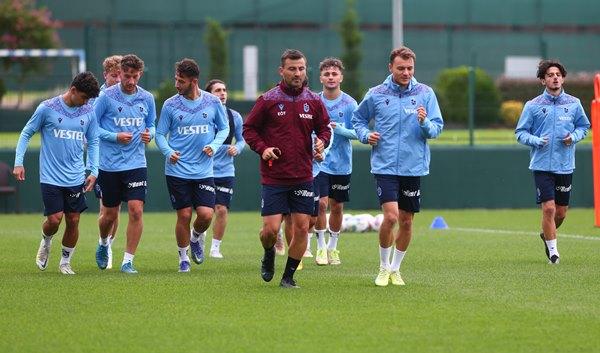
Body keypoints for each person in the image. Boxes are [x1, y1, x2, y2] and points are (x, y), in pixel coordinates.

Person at [352, 46, 443, 287]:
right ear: (390, 67)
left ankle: (395, 269)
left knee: (406, 221)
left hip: (413, 167)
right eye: (401, 68)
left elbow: (436, 128)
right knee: (390, 217)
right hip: (385, 165)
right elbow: (357, 120)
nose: (406, 72)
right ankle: (382, 267)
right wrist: (365, 135)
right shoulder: (376, 93)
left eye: (410, 68)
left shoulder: (425, 93)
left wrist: (424, 123)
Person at [243, 49, 331, 288]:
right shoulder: (268, 99)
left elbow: (325, 128)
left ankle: (288, 277)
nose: (297, 73)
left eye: (301, 68)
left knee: (303, 227)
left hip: (303, 175)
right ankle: (269, 252)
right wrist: (263, 149)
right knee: (270, 230)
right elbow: (248, 130)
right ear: (281, 71)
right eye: (292, 69)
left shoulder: (313, 100)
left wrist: (323, 141)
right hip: (274, 176)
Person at [13, 72, 100, 275]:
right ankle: (46, 240)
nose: (86, 102)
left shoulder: (88, 111)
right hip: (50, 176)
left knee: (74, 220)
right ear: (73, 90)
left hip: (76, 175)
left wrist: (93, 170)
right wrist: (19, 162)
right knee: (54, 220)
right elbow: (26, 133)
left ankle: (65, 262)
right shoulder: (47, 108)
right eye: (84, 97)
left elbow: (94, 141)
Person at [155, 59, 229, 272]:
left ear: (193, 81)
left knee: (206, 215)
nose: (177, 84)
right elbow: (160, 134)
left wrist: (214, 146)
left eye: (181, 80)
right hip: (177, 170)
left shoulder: (212, 102)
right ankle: (183, 258)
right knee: (184, 215)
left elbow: (223, 129)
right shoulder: (170, 104)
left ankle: (196, 238)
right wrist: (168, 151)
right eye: (176, 79)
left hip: (204, 170)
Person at [515, 59, 590, 264]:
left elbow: (584, 127)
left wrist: (573, 137)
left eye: (558, 74)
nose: (555, 77)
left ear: (563, 78)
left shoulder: (574, 104)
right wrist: (536, 141)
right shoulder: (533, 106)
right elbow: (520, 133)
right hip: (541, 165)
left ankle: (546, 234)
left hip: (565, 165)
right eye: (550, 75)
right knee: (548, 208)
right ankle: (554, 254)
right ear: (542, 80)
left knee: (561, 212)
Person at [94, 54, 156, 274]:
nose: (130, 81)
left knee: (136, 211)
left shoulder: (147, 97)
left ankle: (127, 261)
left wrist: (151, 134)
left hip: (136, 163)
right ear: (119, 73)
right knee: (109, 215)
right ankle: (103, 243)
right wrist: (115, 136)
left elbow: (152, 124)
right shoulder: (106, 97)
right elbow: (92, 129)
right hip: (109, 165)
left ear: (140, 74)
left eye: (135, 76)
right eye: (126, 76)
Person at [313, 57, 358, 266]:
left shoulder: (349, 104)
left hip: (342, 164)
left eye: (334, 74)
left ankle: (333, 246)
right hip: (319, 162)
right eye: (327, 74)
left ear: (341, 76)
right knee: (321, 204)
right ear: (321, 77)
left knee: (337, 206)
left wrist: (339, 130)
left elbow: (358, 132)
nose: (331, 77)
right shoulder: (314, 101)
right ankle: (320, 246)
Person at [205, 79, 245, 259]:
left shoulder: (234, 116)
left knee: (221, 209)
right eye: (217, 90)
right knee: (204, 211)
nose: (222, 93)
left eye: (224, 90)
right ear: (208, 95)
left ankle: (215, 248)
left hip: (226, 170)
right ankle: (197, 236)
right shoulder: (203, 115)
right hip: (203, 169)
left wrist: (237, 148)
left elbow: (242, 139)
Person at [91, 55, 122, 269]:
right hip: (102, 161)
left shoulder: (129, 95)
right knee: (106, 210)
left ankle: (108, 245)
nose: (118, 80)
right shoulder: (98, 97)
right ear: (105, 76)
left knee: (116, 209)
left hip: (126, 161)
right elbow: (91, 130)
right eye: (114, 76)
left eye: (121, 75)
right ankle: (104, 244)